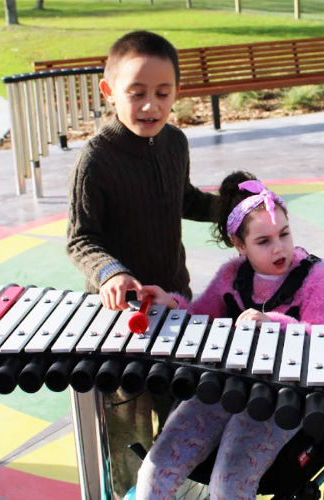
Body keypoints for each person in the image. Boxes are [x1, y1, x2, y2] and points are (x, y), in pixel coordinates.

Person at [66, 30, 218, 497]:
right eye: (136, 94)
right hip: (121, 324)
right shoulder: (97, 160)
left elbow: (184, 198)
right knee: (128, 435)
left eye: (162, 94)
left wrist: (234, 208)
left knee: (184, 426)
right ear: (109, 91)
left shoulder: (175, 143)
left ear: (177, 92)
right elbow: (81, 238)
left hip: (175, 306)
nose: (150, 106)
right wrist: (111, 272)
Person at [134, 171, 324, 499]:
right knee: (155, 469)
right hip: (223, 388)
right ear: (239, 244)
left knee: (228, 485)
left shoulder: (314, 277)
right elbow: (199, 321)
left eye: (284, 234)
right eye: (264, 241)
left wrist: (273, 323)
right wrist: (171, 305)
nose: (279, 249)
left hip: (281, 398)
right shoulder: (232, 276)